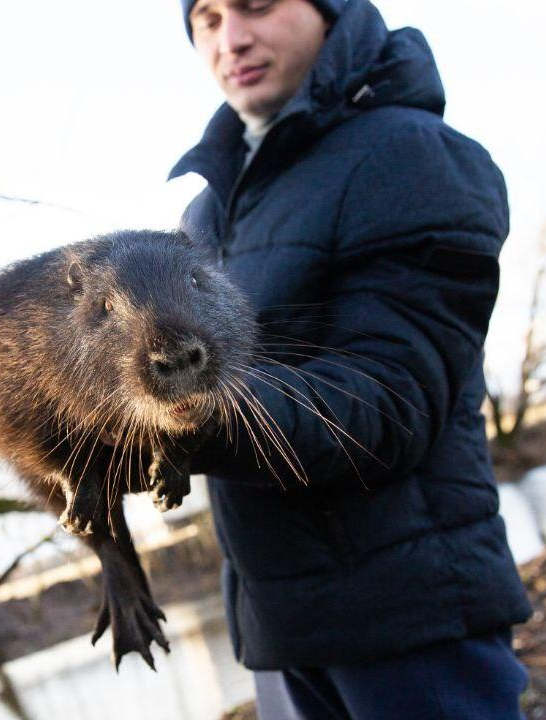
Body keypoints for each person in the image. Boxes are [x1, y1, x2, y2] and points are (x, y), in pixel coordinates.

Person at [171, 0, 532, 718]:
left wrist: (175, 419)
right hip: (280, 633)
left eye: (256, 6)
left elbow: (388, 404)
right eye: (206, 18)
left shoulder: (412, 153)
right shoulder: (206, 213)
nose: (230, 38)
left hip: (411, 630)